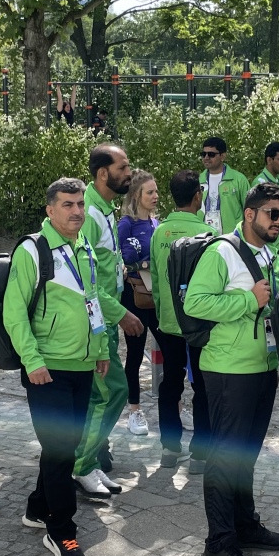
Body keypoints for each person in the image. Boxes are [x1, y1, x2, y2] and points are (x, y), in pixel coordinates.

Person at [183, 182, 279, 556]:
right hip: (228, 369)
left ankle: (246, 525)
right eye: (272, 214)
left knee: (246, 454)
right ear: (250, 214)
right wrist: (250, 301)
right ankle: (219, 544)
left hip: (262, 365)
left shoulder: (270, 254)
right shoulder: (221, 252)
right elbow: (196, 302)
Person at [4, 177, 109, 556]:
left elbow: (92, 300)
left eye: (80, 204)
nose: (77, 211)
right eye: (67, 204)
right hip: (47, 368)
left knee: (63, 446)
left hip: (81, 364)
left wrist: (100, 349)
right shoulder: (33, 250)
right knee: (62, 449)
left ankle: (36, 508)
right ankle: (61, 530)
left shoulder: (84, 247)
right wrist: (33, 361)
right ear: (50, 210)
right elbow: (13, 313)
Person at [72, 145, 143, 500]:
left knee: (98, 395)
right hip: (95, 321)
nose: (130, 172)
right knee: (113, 391)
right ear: (103, 173)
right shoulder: (87, 212)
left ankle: (87, 462)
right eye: (124, 166)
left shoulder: (102, 208)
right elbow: (88, 282)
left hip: (103, 319)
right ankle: (81, 466)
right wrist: (121, 314)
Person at [149, 170, 213, 469]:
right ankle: (201, 452)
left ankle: (170, 449)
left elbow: (158, 284)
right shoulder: (208, 233)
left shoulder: (160, 232)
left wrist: (163, 315)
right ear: (198, 196)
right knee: (203, 385)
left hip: (169, 323)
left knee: (170, 384)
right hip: (199, 322)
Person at [116, 169, 160, 439]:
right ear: (136, 196)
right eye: (150, 192)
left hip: (156, 297)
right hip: (134, 295)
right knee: (134, 354)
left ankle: (176, 406)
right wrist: (145, 261)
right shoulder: (126, 223)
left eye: (156, 191)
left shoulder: (157, 224)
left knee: (170, 351)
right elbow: (126, 256)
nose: (155, 196)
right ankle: (134, 410)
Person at [252, 141, 279, 263]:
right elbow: (271, 207)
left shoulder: (278, 180)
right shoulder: (261, 182)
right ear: (269, 160)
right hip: (268, 242)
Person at [198, 136, 250, 233]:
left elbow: (250, 210)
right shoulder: (198, 180)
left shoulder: (239, 179)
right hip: (204, 238)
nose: (206, 158)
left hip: (232, 239)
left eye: (211, 154)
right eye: (203, 154)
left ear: (223, 156)